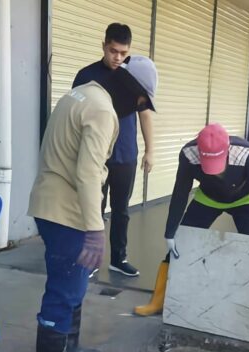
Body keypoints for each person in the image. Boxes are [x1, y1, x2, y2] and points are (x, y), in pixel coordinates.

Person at [28, 55, 158, 352]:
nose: (138, 109)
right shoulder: (102, 111)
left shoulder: (82, 92)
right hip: (65, 211)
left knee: (76, 280)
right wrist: (96, 229)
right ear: (133, 91)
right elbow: (87, 172)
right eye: (142, 102)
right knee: (66, 285)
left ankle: (68, 348)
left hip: (53, 202)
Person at [135, 123, 249, 316]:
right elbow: (180, 192)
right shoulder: (189, 154)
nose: (216, 172)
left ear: (227, 151)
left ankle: (247, 310)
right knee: (179, 246)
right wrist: (170, 232)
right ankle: (159, 300)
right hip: (208, 198)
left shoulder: (246, 154)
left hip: (244, 199)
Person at [72, 23, 155, 278]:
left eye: (123, 53)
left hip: (125, 155)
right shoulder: (86, 76)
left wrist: (150, 150)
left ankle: (118, 258)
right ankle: (90, 259)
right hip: (95, 155)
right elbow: (73, 114)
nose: (117, 57)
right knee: (93, 207)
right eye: (112, 51)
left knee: (122, 210)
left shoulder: (132, 77)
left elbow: (145, 114)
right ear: (104, 45)